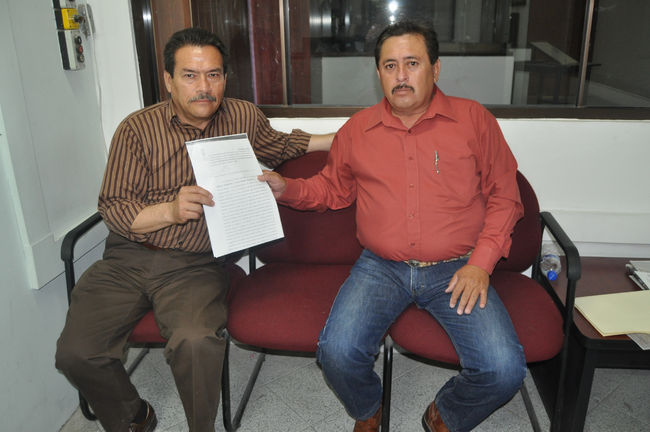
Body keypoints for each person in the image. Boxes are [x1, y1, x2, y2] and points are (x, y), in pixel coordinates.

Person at [55, 27, 334, 432]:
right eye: (190, 75)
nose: (204, 87)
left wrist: (347, 137)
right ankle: (133, 417)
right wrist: (169, 211)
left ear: (225, 78)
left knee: (196, 342)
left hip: (196, 265)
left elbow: (282, 145)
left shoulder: (242, 116)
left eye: (213, 75)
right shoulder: (136, 129)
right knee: (76, 353)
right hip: (128, 257)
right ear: (169, 80)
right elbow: (114, 206)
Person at [260, 20, 526, 432]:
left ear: (435, 69)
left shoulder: (474, 120)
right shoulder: (357, 130)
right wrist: (286, 188)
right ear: (379, 73)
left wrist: (481, 263)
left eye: (412, 63)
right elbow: (332, 190)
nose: (401, 76)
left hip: (458, 267)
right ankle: (368, 407)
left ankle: (446, 413)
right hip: (381, 267)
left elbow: (505, 197)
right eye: (390, 66)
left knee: (503, 370)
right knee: (336, 353)